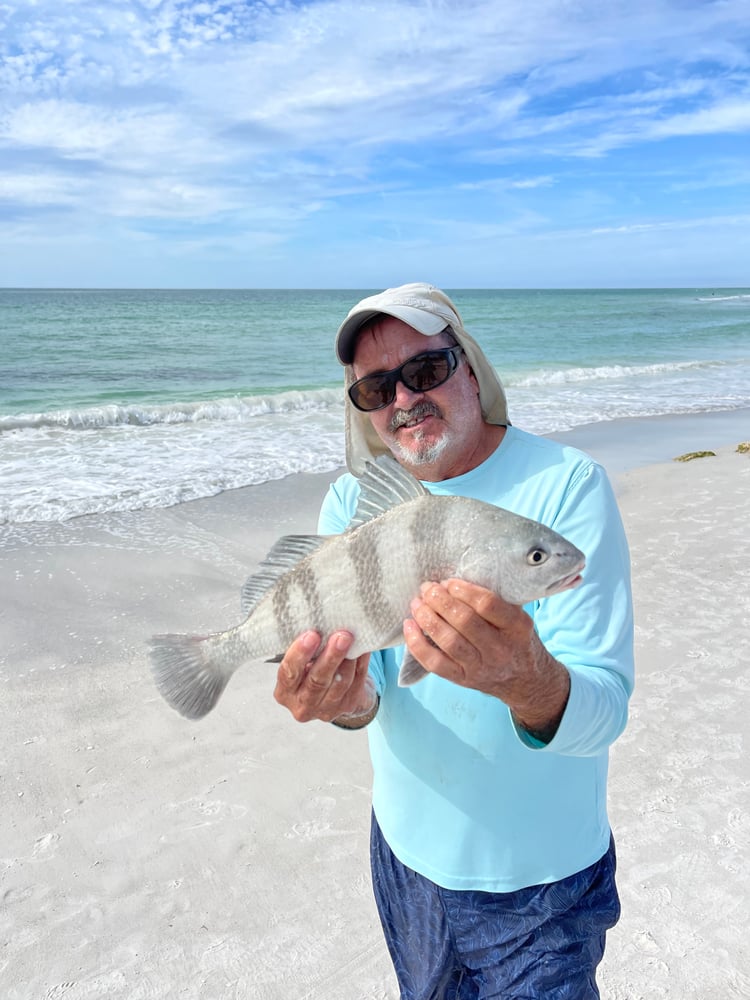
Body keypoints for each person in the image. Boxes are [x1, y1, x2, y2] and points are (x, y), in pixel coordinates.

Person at [274, 283, 634, 999]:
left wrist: (526, 679)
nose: (403, 399)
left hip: (542, 890)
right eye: (376, 388)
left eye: (425, 371)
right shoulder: (351, 504)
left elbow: (607, 709)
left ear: (468, 365)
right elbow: (368, 693)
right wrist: (340, 701)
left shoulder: (567, 487)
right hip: (404, 858)